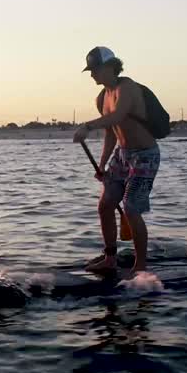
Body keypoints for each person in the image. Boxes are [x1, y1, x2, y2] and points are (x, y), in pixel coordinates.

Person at [72, 46, 160, 274]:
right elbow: (111, 131)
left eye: (95, 69)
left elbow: (119, 115)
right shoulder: (102, 97)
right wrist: (102, 164)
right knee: (105, 205)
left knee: (131, 208)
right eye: (90, 70)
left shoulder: (127, 88)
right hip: (121, 156)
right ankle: (110, 258)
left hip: (145, 156)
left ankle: (140, 267)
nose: (92, 74)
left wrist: (87, 126)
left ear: (111, 67)